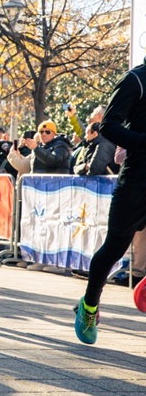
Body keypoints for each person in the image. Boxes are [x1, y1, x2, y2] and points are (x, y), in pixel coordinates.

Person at [75, 58, 146, 344]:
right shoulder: (136, 80)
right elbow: (108, 126)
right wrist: (141, 141)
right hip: (138, 180)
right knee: (115, 247)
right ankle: (89, 305)